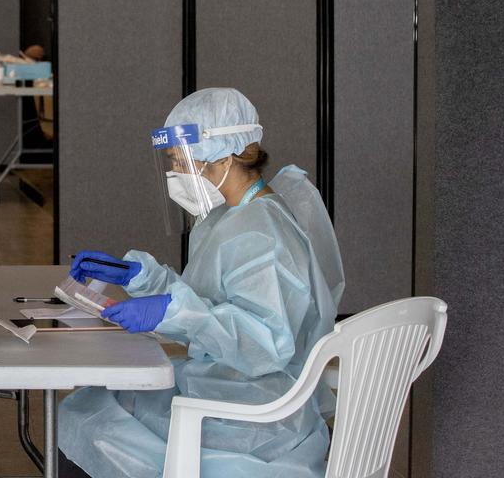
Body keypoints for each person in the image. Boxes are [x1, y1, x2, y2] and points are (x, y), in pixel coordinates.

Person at [59, 87, 345, 478]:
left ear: (224, 156)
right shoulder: (232, 217)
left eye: (180, 162)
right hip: (226, 386)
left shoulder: (261, 233)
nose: (175, 175)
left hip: (253, 418)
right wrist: (141, 278)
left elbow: (265, 343)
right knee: (89, 407)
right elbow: (211, 296)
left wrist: (174, 311)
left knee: (88, 419)